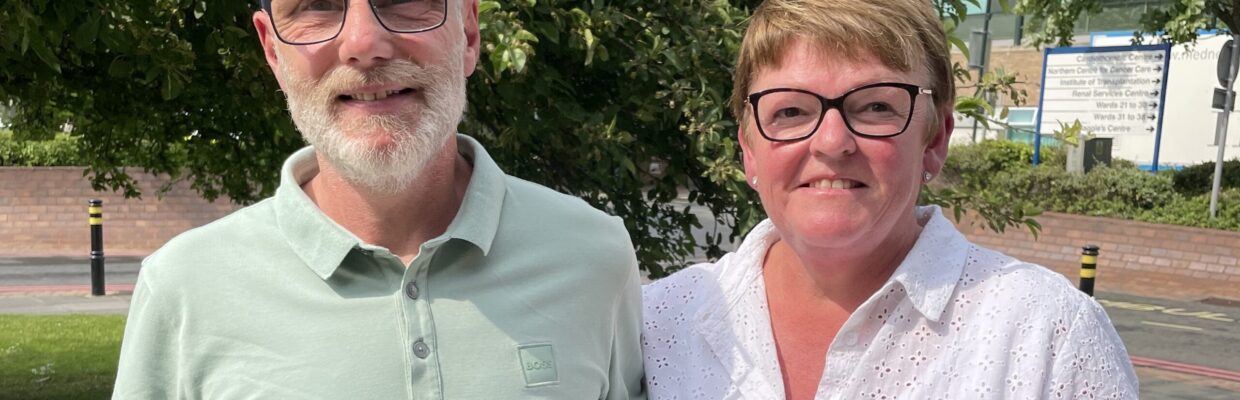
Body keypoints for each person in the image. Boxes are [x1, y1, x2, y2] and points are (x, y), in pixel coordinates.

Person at [113, 0, 645, 398]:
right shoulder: (185, 286)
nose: (364, 43)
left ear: (468, 33)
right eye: (316, 7)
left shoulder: (592, 255)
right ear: (273, 51)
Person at [641, 0, 1138, 398]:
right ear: (750, 149)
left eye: (876, 105)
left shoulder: (1048, 334)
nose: (832, 142)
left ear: (935, 139)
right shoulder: (655, 322)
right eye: (790, 110)